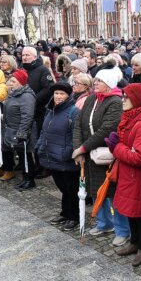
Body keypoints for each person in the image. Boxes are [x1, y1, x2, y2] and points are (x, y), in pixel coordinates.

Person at [72, 68, 126, 240]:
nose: (95, 83)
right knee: (95, 190)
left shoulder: (116, 102)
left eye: (99, 81)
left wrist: (82, 148)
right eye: (95, 80)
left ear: (109, 84)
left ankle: (122, 230)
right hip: (89, 155)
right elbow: (79, 124)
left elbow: (106, 130)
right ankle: (104, 223)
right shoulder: (91, 99)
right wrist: (79, 149)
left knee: (111, 193)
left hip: (106, 155)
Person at [109, 83, 141, 267]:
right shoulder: (130, 117)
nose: (122, 100)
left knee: (138, 213)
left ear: (136, 99)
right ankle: (134, 243)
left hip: (137, 175)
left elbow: (139, 157)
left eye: (126, 97)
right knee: (130, 210)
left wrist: (117, 147)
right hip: (127, 173)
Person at [37, 82, 81, 230]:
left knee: (71, 189)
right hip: (52, 156)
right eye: (56, 93)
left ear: (68, 96)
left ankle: (74, 217)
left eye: (62, 94)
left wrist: (68, 152)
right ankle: (65, 213)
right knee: (62, 188)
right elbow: (44, 131)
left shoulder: (73, 112)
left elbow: (77, 135)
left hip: (66, 158)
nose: (58, 96)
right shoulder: (50, 110)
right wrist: (40, 146)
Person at [0, 70, 37, 189]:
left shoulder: (27, 96)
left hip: (23, 131)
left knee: (26, 156)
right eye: (10, 80)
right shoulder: (14, 93)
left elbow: (27, 116)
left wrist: (22, 133)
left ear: (21, 82)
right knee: (22, 156)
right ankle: (25, 178)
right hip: (13, 130)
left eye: (13, 81)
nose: (10, 83)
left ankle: (30, 180)